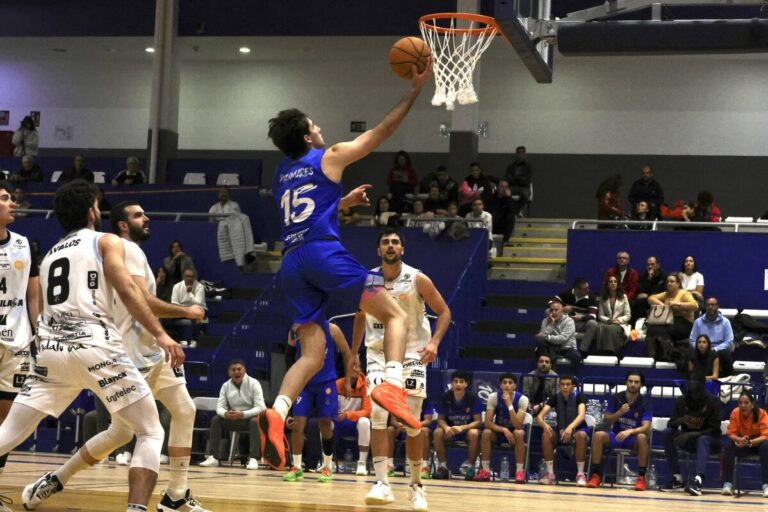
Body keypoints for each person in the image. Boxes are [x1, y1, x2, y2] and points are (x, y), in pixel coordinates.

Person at [260, 59, 433, 470]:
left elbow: (306, 211)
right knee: (394, 314)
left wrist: (340, 203)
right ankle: (393, 383)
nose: (320, 127)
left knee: (312, 354)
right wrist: (414, 90)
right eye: (314, 124)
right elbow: (381, 132)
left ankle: (278, 412)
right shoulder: (330, 156)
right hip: (322, 254)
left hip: (292, 263)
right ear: (307, 135)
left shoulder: (282, 173)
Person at [0, 180, 183, 512]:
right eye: (97, 206)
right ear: (91, 212)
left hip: (50, 351)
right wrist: (161, 334)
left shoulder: (50, 254)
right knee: (150, 431)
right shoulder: (105, 241)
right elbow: (128, 291)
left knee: (8, 433)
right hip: (94, 345)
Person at [350, 227, 450, 510]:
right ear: (378, 250)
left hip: (412, 355)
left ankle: (417, 485)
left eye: (395, 242)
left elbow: (445, 312)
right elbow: (360, 316)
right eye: (385, 242)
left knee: (412, 421)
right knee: (378, 414)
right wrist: (354, 352)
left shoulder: (417, 278)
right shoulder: (369, 279)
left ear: (402, 249)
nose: (390, 245)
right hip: (377, 354)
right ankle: (382, 483)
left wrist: (435, 342)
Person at [0, 180, 41, 488]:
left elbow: (34, 297)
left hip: (17, 342)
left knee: (6, 422)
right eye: (4, 198)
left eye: (11, 198)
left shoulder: (25, 245)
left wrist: (40, 334)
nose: (12, 203)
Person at [282, 322, 351, 483]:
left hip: (326, 383)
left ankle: (327, 467)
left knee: (325, 424)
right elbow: (288, 357)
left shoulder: (332, 329)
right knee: (297, 424)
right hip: (304, 383)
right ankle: (296, 467)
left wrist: (347, 381)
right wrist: (293, 381)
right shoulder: (295, 329)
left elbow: (347, 353)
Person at [586, 371, 652, 491]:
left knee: (642, 437)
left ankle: (641, 478)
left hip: (632, 439)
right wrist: (619, 413)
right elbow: (606, 420)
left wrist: (630, 431)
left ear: (641, 385)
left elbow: (646, 427)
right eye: (630, 381)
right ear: (626, 382)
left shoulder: (645, 402)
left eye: (636, 382)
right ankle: (595, 475)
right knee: (598, 435)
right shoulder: (617, 398)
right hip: (616, 436)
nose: (633, 384)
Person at [198, 359, 266, 471]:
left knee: (255, 421)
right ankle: (214, 457)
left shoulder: (254, 383)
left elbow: (261, 407)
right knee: (216, 420)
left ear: (244, 370)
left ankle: (254, 458)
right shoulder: (225, 386)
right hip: (233, 419)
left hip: (249, 419)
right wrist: (226, 414)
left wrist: (243, 414)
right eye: (233, 370)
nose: (236, 372)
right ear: (229, 372)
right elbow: (219, 407)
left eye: (239, 369)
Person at [661, 378, 722, 496]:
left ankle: (698, 481)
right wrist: (680, 420)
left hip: (711, 442)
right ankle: (677, 478)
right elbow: (671, 424)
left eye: (694, 381)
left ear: (702, 384)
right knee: (667, 433)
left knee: (702, 439)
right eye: (690, 382)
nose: (691, 384)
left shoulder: (713, 401)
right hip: (688, 441)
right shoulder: (681, 400)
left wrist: (691, 434)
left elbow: (714, 430)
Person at [536, 375, 589, 486]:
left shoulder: (579, 397)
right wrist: (544, 424)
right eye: (562, 384)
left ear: (573, 386)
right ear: (559, 386)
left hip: (577, 431)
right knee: (546, 434)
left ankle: (580, 474)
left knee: (581, 435)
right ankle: (550, 474)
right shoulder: (555, 397)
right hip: (561, 431)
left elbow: (581, 415)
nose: (565, 387)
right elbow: (540, 416)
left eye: (568, 384)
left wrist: (570, 427)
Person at [478, 373, 529, 483]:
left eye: (510, 383)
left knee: (519, 433)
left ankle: (519, 472)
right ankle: (485, 471)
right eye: (504, 383)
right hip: (499, 432)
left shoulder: (522, 399)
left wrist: (509, 405)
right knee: (486, 432)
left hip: (514, 433)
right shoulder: (493, 397)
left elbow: (518, 425)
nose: (507, 385)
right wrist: (504, 430)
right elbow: (487, 423)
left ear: (515, 386)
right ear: (500, 385)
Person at [432, 371, 483, 480]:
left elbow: (478, 421)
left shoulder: (473, 398)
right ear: (452, 384)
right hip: (451, 431)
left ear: (466, 384)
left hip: (467, 431)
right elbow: (440, 419)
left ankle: (471, 468)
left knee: (474, 433)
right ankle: (443, 467)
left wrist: (462, 428)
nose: (458, 384)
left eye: (461, 382)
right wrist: (446, 427)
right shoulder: (445, 397)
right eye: (455, 381)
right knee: (437, 432)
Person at [721, 391, 768, 497]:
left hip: (757, 445)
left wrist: (750, 442)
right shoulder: (735, 412)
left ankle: (766, 486)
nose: (743, 405)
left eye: (746, 403)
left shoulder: (761, 413)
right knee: (728, 445)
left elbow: (766, 435)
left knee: (766, 446)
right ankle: (727, 484)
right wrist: (740, 439)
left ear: (752, 404)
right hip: (741, 445)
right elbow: (731, 433)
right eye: (740, 403)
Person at [646, 272, 698, 358]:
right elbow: (650, 298)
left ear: (678, 284)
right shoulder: (666, 294)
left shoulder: (684, 294)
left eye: (672, 281)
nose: (669, 283)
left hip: (684, 323)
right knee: (651, 329)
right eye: (668, 281)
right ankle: (652, 356)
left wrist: (678, 304)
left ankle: (667, 355)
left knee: (662, 329)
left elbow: (695, 305)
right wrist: (662, 305)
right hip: (670, 320)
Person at [334, 360, 371, 476]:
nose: (355, 369)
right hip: (339, 422)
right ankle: (327, 462)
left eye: (358, 367)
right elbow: (331, 406)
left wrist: (347, 414)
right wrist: (333, 413)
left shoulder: (366, 385)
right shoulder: (337, 384)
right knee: (324, 421)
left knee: (365, 422)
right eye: (352, 366)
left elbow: (367, 411)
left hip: (355, 424)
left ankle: (362, 463)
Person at [208, 186, 255, 269]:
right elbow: (211, 223)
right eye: (221, 192)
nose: (223, 194)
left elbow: (235, 220)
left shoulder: (234, 205)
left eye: (225, 192)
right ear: (218, 194)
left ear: (228, 194)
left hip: (232, 232)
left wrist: (223, 222)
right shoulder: (213, 208)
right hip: (219, 233)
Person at [689, 297, 734, 377]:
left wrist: (713, 349)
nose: (710, 307)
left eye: (713, 305)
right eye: (708, 305)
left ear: (718, 306)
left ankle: (728, 379)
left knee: (726, 353)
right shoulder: (698, 322)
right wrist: (700, 348)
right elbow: (692, 340)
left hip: (718, 350)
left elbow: (729, 342)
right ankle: (694, 378)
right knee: (690, 352)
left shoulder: (725, 322)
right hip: (702, 349)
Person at [554, 278, 597, 359]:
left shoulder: (591, 296)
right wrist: (561, 309)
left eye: (588, 288)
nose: (588, 290)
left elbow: (593, 316)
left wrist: (581, 318)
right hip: (565, 322)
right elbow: (550, 303)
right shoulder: (566, 293)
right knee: (548, 312)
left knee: (593, 323)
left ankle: (582, 351)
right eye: (585, 289)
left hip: (580, 323)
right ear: (577, 290)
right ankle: (556, 348)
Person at [534, 301, 581, 370]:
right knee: (541, 342)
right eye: (551, 310)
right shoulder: (545, 321)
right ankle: (547, 373)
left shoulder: (569, 321)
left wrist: (546, 337)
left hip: (566, 347)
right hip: (552, 346)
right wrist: (551, 324)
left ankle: (571, 375)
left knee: (577, 356)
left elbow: (562, 338)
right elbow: (541, 336)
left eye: (556, 310)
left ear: (561, 311)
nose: (553, 312)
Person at [592, 275, 631, 355]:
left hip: (619, 323)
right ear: (607, 284)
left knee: (611, 328)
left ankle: (611, 352)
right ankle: (599, 351)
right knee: (599, 327)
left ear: (618, 284)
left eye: (615, 282)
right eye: (611, 282)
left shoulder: (623, 297)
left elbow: (628, 315)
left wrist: (618, 320)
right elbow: (600, 315)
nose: (613, 283)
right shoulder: (603, 297)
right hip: (607, 322)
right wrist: (609, 320)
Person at [170, 269, 207, 346]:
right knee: (168, 315)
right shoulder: (177, 286)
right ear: (183, 277)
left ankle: (194, 340)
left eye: (192, 276)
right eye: (187, 276)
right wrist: (185, 309)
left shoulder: (199, 286)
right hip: (183, 309)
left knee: (195, 314)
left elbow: (198, 303)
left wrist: (189, 293)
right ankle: (179, 339)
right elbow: (174, 303)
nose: (190, 278)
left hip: (199, 309)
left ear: (194, 277)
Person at [631, 256, 667, 322]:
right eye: (648, 265)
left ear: (658, 265)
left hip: (657, 300)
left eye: (652, 264)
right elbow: (639, 290)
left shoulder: (663, 276)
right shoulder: (644, 275)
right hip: (644, 300)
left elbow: (661, 291)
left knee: (641, 303)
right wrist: (649, 279)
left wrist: (648, 295)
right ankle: (634, 324)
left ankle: (643, 323)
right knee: (633, 303)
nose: (650, 266)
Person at [504, 145, 532, 215]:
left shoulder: (528, 166)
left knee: (526, 194)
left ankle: (516, 210)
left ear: (525, 154)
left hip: (524, 188)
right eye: (518, 152)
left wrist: (515, 178)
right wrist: (520, 178)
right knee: (505, 193)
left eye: (522, 153)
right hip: (513, 187)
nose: (520, 154)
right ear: (516, 154)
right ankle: (510, 210)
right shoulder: (511, 166)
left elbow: (527, 180)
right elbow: (508, 179)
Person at [487, 179, 517, 244]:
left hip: (503, 225)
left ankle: (505, 241)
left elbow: (513, 211)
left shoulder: (510, 199)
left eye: (506, 187)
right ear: (497, 188)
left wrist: (508, 198)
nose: (504, 189)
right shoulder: (491, 198)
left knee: (511, 216)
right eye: (502, 186)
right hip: (492, 224)